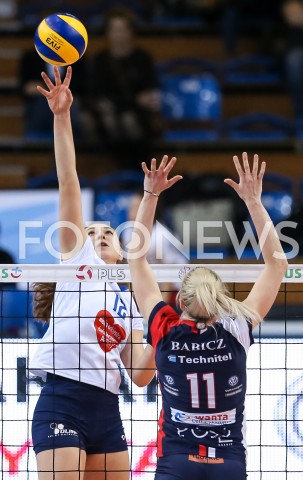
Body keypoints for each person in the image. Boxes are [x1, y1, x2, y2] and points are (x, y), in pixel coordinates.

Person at [128, 153, 288, 479]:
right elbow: (277, 264)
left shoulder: (165, 328)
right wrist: (253, 201)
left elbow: (136, 259)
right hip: (227, 462)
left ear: (180, 300)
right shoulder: (237, 328)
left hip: (177, 460)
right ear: (221, 299)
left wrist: (150, 195)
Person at [29, 66, 155, 480]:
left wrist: (163, 328)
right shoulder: (76, 261)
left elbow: (139, 375)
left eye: (107, 233)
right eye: (91, 231)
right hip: (62, 399)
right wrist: (61, 116)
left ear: (122, 253)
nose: (98, 235)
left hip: (108, 408)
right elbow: (69, 181)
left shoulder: (132, 305)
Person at [90, 8, 162, 169]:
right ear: (108, 33)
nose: (119, 34)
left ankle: (137, 169)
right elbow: (95, 91)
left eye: (123, 29)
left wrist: (149, 98)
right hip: (109, 112)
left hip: (138, 113)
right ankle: (119, 169)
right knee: (108, 121)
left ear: (131, 32)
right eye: (115, 30)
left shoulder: (142, 58)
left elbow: (151, 88)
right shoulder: (101, 60)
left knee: (129, 120)